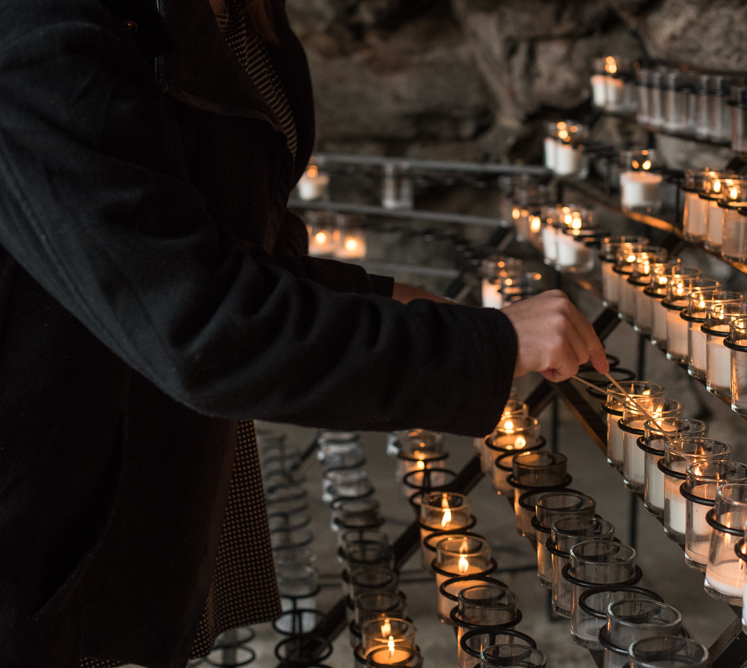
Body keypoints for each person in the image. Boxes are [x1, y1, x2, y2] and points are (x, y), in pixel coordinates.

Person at [0, 0, 608, 666]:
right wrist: (483, 348)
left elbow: (214, 244)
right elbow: (200, 321)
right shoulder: (44, 37)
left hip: (144, 459)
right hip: (50, 497)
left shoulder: (242, 18)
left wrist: (397, 302)